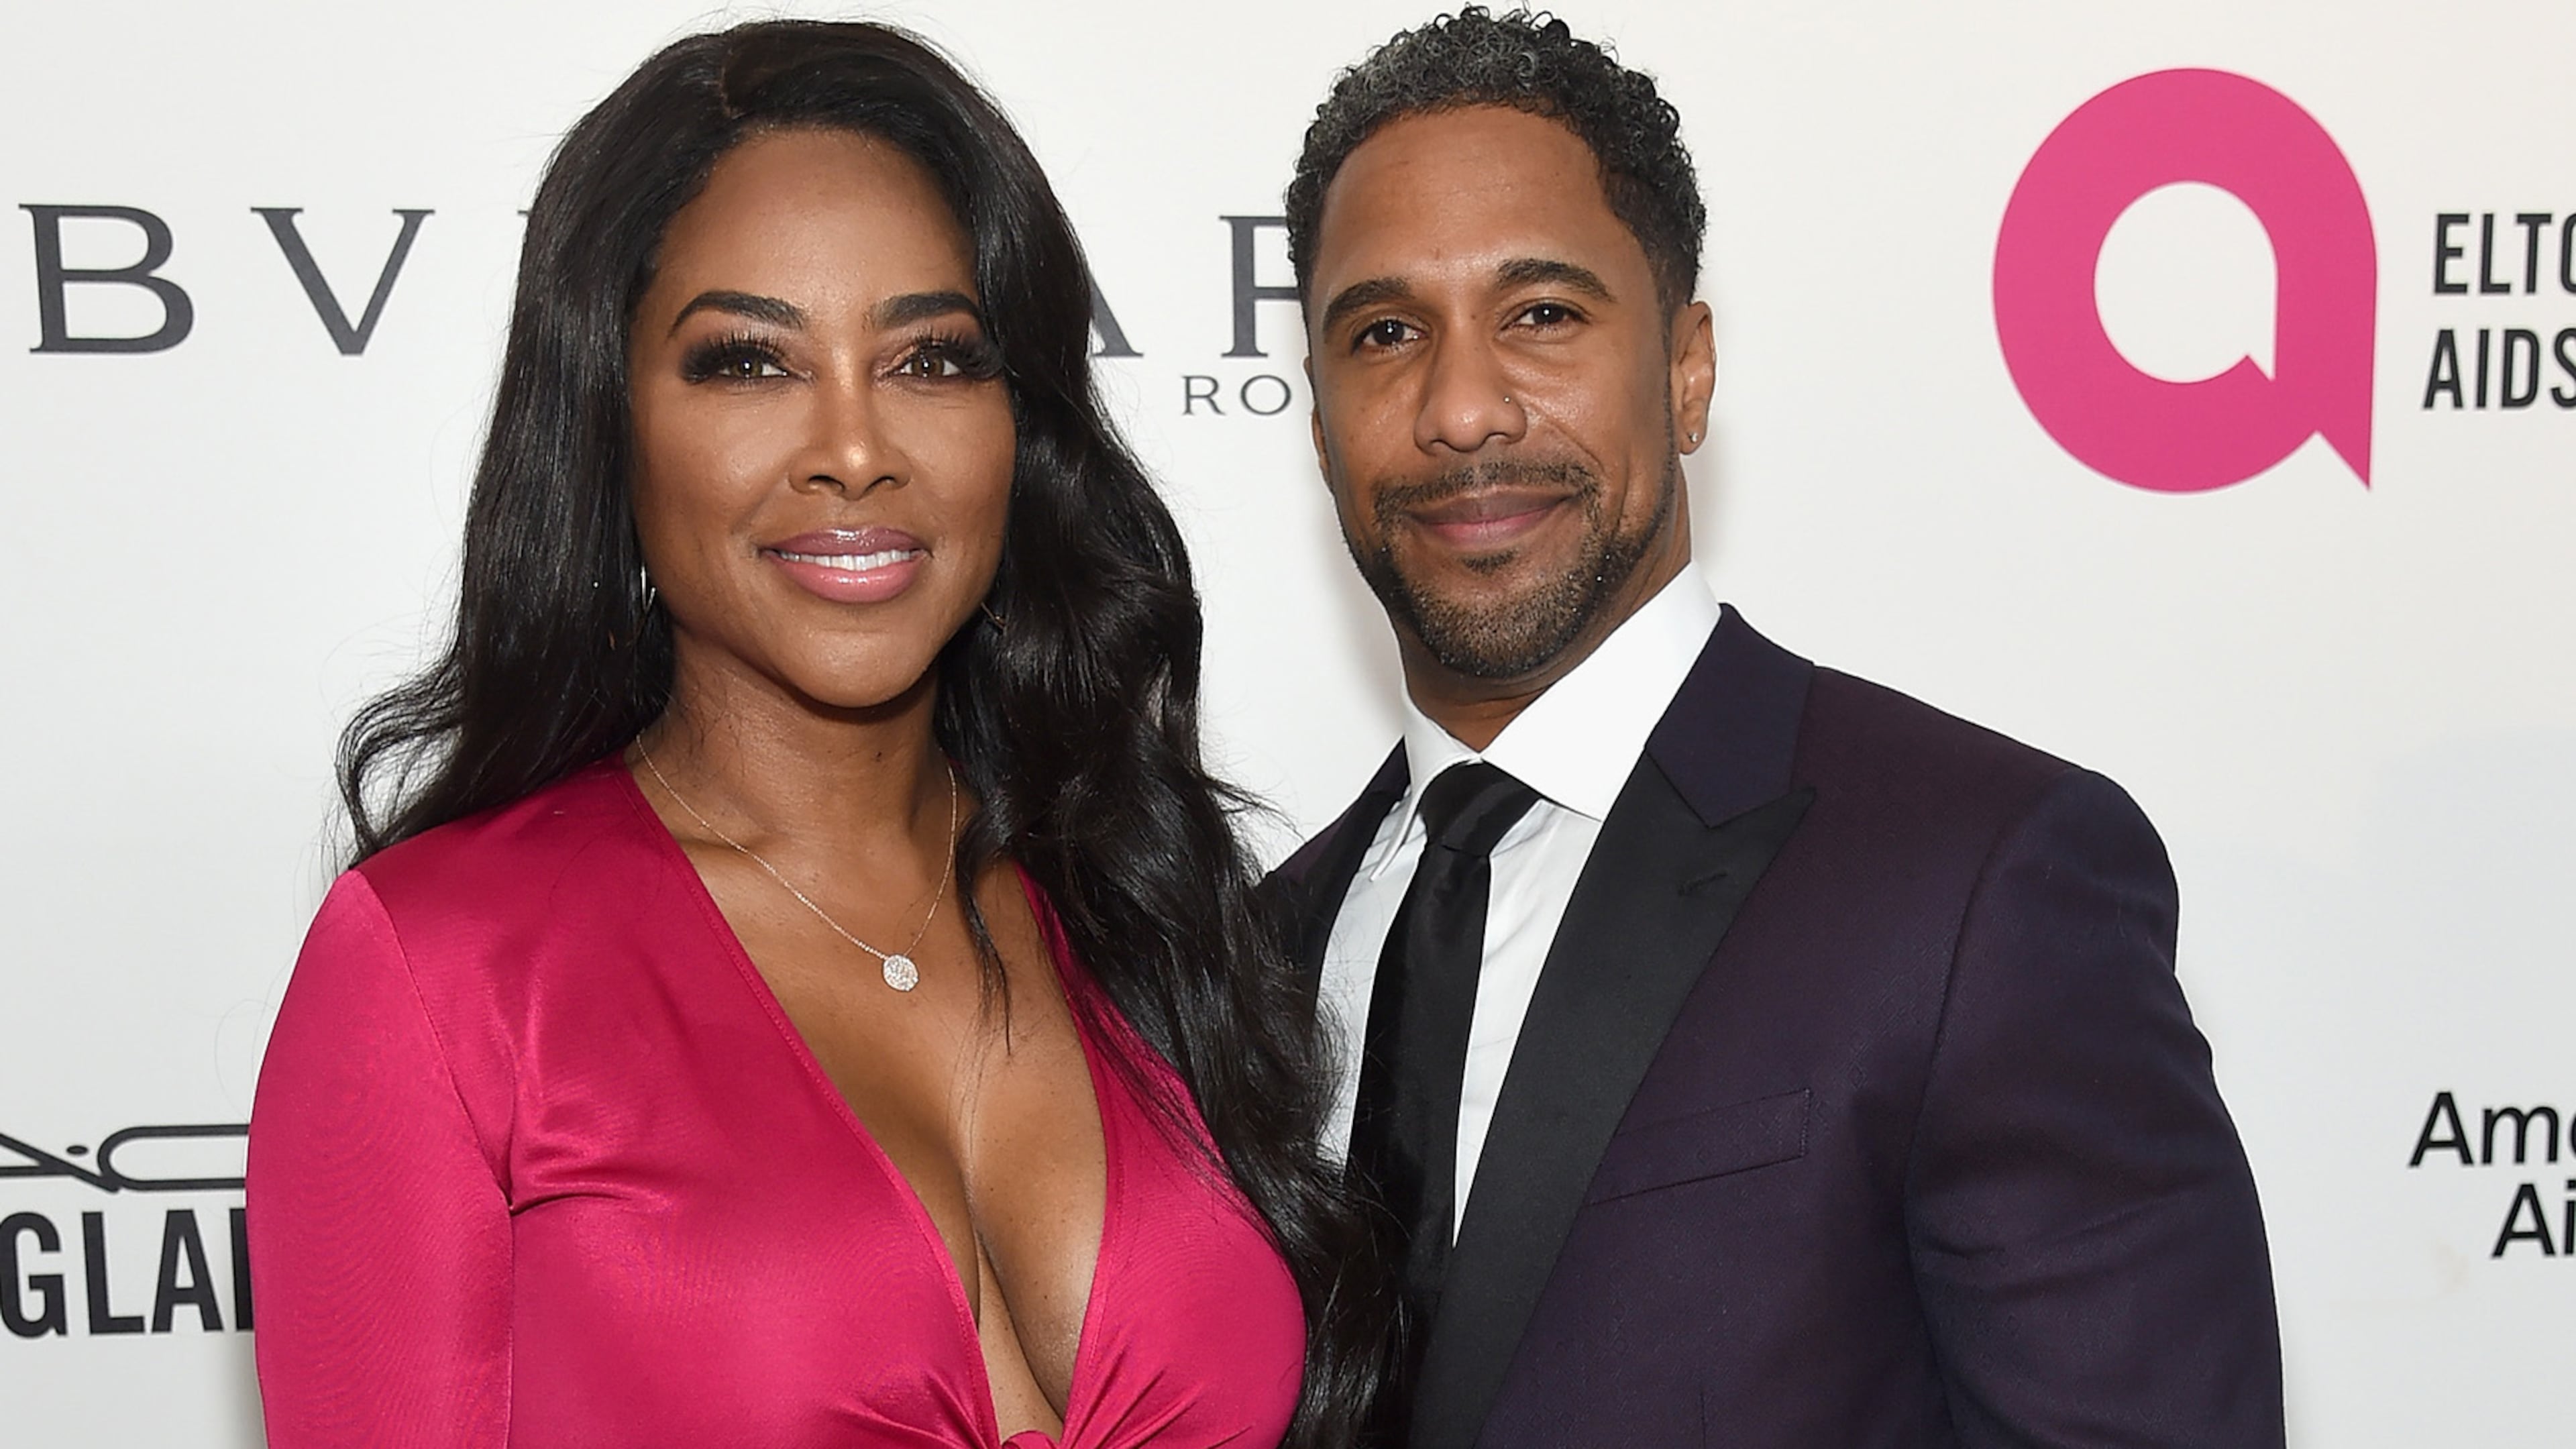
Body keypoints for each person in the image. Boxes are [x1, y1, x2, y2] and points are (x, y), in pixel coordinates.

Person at [248, 21, 1373, 1449]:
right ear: (611, 426)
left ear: (1018, 427)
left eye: (933, 359)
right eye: (746, 365)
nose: (854, 446)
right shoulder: (443, 975)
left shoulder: (1140, 899)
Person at [1267, 10, 2285, 1448]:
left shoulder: (1975, 885)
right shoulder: (1246, 956)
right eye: (1384, 334)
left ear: (1686, 371)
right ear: (1318, 422)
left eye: (1543, 315)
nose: (1462, 408)